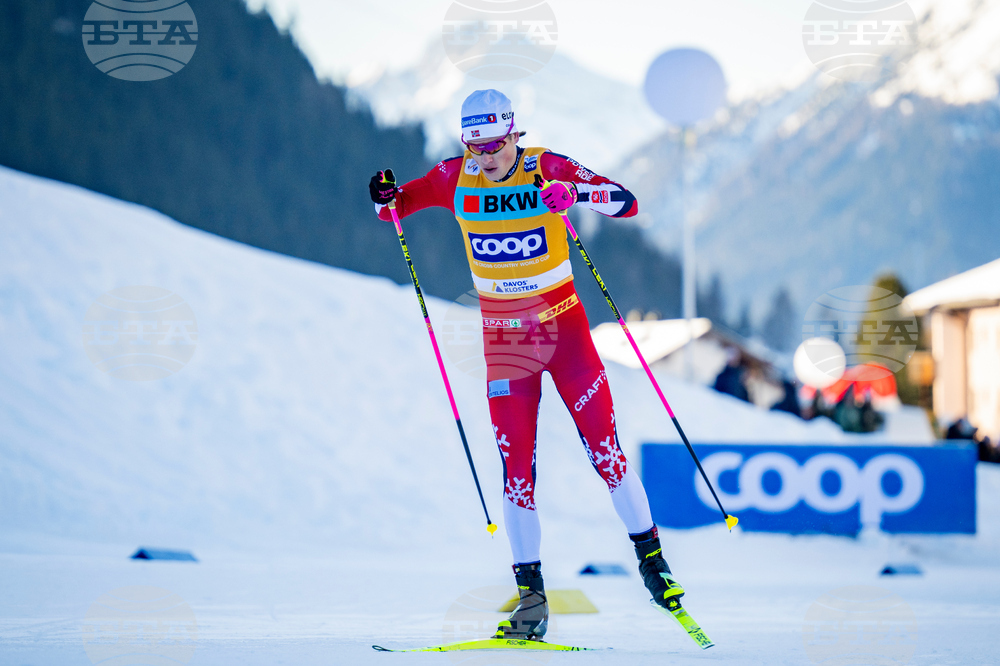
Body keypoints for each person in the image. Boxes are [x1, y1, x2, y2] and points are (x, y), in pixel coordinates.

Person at [368, 89, 683, 640]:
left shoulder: (546, 167)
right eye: (475, 144)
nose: (485, 155)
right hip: (505, 341)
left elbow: (625, 201)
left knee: (605, 452)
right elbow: (394, 208)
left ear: (514, 133)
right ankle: (530, 598)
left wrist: (574, 193)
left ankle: (654, 565)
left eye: (494, 142)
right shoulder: (452, 176)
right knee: (516, 473)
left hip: (565, 334)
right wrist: (382, 195)